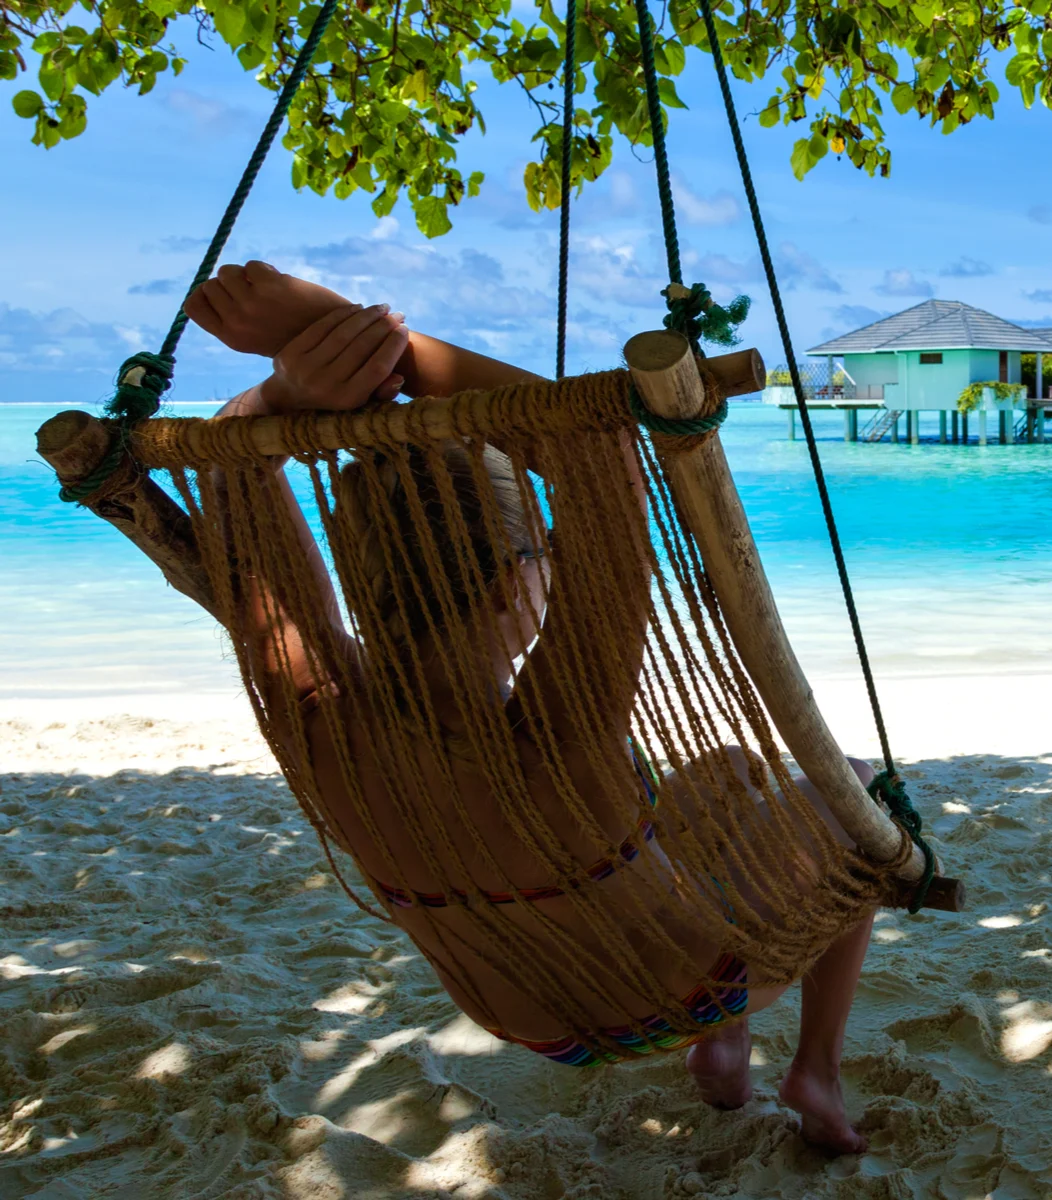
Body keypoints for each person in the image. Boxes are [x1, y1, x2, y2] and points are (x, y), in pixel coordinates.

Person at [183, 260, 875, 1154]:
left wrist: (289, 384)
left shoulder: (316, 717)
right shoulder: (560, 736)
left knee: (731, 774)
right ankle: (812, 1067)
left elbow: (235, 482)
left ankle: (727, 1048)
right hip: (663, 997)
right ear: (520, 580)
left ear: (358, 579)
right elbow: (601, 455)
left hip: (528, 1020)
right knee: (856, 792)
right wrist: (360, 332)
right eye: (543, 558)